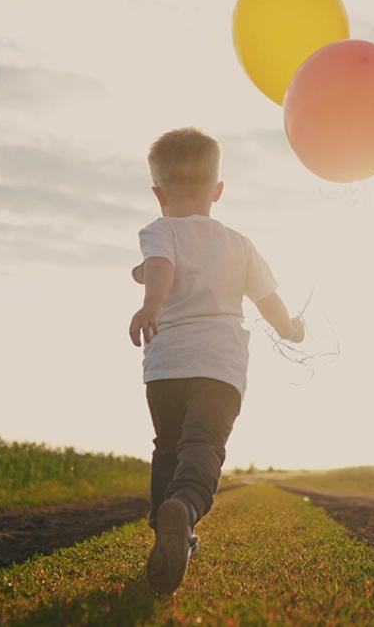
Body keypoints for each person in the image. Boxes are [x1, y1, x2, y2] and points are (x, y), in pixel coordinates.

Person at [129, 127, 305, 595]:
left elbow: (161, 266)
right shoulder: (239, 243)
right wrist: (290, 329)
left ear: (158, 192)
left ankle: (168, 533)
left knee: (167, 447)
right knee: (204, 446)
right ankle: (184, 509)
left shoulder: (159, 229)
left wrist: (153, 306)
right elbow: (267, 298)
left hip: (165, 365)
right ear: (218, 190)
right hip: (220, 367)